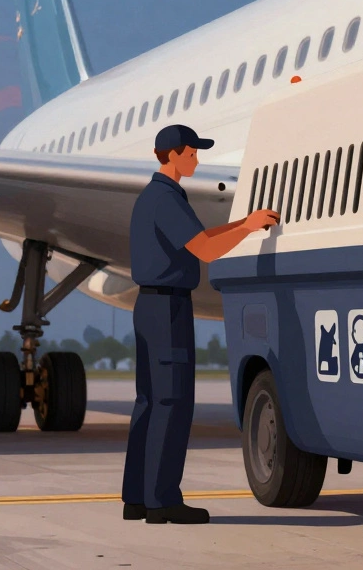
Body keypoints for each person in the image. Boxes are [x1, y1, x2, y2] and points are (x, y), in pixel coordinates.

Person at [121, 124, 278, 524]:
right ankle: (162, 502)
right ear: (172, 155)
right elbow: (206, 250)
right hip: (168, 309)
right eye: (191, 153)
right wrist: (245, 229)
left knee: (149, 402)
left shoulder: (152, 197)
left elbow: (200, 236)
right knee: (172, 403)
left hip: (148, 306)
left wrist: (243, 222)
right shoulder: (167, 198)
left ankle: (137, 498)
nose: (196, 159)